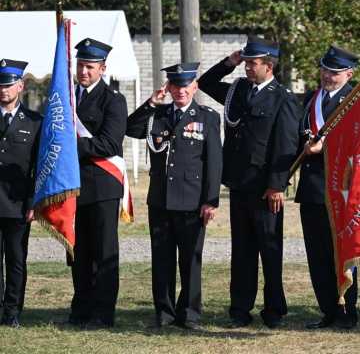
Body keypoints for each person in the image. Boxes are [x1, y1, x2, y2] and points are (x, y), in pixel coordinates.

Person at [198, 35, 301, 329]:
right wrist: (228, 63)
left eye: (252, 64)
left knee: (269, 249)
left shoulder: (283, 98)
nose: (247, 68)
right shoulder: (239, 90)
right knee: (241, 251)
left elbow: (286, 145)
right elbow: (205, 83)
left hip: (265, 187)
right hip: (240, 183)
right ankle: (240, 309)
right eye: (245, 63)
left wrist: (277, 185)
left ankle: (274, 310)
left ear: (269, 66)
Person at [126, 63, 222, 330]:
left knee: (191, 259)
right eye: (175, 85)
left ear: (195, 86)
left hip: (192, 201)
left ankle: (190, 313)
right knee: (162, 258)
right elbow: (129, 129)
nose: (181, 91)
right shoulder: (158, 116)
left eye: (186, 85)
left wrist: (211, 200)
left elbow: (214, 162)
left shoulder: (207, 117)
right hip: (161, 200)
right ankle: (164, 312)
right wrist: (150, 103)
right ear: (168, 87)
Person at [295, 45, 359, 330]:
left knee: (343, 250)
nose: (327, 76)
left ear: (349, 73)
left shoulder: (355, 101)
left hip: (342, 190)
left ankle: (348, 310)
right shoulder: (311, 99)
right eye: (324, 70)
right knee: (317, 252)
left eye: (334, 72)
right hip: (312, 188)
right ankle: (328, 310)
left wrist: (326, 147)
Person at [68, 38, 128, 328]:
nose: (83, 71)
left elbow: (109, 144)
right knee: (79, 252)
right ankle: (81, 308)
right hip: (72, 185)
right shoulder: (66, 99)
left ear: (102, 68)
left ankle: (103, 313)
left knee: (104, 251)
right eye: (80, 65)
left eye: (89, 67)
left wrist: (71, 146)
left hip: (102, 185)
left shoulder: (112, 100)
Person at [0, 59, 42, 327]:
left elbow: (38, 167)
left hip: (17, 203)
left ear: (20, 86)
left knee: (16, 260)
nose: (3, 90)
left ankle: (13, 310)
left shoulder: (35, 121)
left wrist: (32, 203)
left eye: (7, 85)